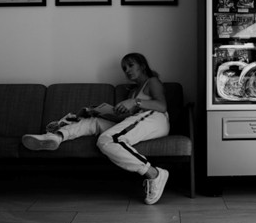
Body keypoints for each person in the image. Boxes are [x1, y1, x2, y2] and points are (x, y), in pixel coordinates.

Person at [21, 53, 170, 205]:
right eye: (124, 68)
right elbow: (125, 121)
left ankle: (154, 173)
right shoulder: (131, 91)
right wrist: (97, 112)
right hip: (138, 121)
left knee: (108, 139)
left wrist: (134, 102)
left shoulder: (152, 82)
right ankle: (56, 136)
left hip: (154, 118)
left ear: (142, 66)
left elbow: (162, 106)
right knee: (93, 122)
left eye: (131, 65)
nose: (127, 70)